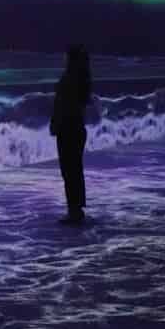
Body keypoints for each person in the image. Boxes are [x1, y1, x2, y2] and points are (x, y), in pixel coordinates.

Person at [49, 45, 92, 224]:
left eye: (66, 57)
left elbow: (62, 105)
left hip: (67, 128)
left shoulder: (69, 78)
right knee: (75, 170)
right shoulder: (84, 78)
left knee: (69, 171)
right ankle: (77, 208)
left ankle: (73, 211)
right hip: (78, 127)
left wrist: (55, 123)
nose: (63, 60)